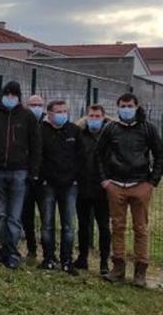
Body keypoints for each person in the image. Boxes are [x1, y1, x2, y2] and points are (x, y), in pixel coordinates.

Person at [97, 93, 163, 287]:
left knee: (140, 228)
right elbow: (98, 155)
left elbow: (159, 155)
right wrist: (104, 181)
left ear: (136, 106)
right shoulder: (110, 128)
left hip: (140, 185)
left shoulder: (148, 128)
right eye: (122, 106)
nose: (126, 109)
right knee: (117, 227)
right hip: (116, 186)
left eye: (129, 105)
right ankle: (118, 269)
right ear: (117, 108)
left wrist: (152, 182)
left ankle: (140, 272)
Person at [0, 81, 41, 270]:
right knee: (2, 214)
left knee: (14, 216)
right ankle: (4, 248)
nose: (10, 97)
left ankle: (12, 252)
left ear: (19, 96)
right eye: (7, 94)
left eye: (14, 94)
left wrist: (34, 171)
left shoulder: (27, 117)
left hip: (19, 172)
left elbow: (36, 146)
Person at [37, 100, 83, 275]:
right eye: (58, 111)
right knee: (47, 224)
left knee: (69, 226)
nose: (62, 114)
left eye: (65, 111)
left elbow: (81, 157)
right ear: (49, 114)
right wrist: (41, 179)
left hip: (70, 185)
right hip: (48, 185)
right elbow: (38, 156)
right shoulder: (41, 131)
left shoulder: (74, 131)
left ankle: (67, 260)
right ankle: (48, 258)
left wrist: (76, 179)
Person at [74, 104, 111, 276]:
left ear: (103, 117)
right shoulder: (80, 134)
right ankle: (82, 258)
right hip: (83, 187)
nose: (93, 119)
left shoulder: (110, 135)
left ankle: (104, 262)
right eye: (91, 115)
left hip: (103, 189)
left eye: (97, 116)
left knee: (103, 226)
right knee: (83, 226)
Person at [22, 94, 45, 259]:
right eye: (32, 105)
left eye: (38, 105)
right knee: (26, 215)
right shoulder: (22, 122)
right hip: (25, 176)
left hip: (44, 179)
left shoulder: (47, 125)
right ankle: (31, 248)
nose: (35, 108)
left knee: (46, 217)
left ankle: (48, 251)